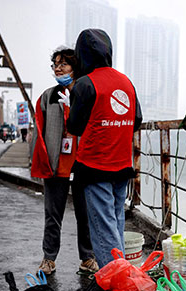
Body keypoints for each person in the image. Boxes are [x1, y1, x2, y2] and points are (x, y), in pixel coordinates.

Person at [66, 29, 142, 268]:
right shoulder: (126, 82)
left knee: (102, 227)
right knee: (116, 221)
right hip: (122, 165)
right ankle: (123, 276)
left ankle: (116, 284)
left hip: (95, 165)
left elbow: (75, 127)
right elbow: (137, 120)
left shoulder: (85, 84)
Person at [30, 46, 98, 275]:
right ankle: (49, 258)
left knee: (85, 215)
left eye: (64, 64)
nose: (58, 69)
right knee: (52, 215)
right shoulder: (47, 97)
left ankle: (87, 258)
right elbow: (38, 133)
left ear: (75, 67)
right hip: (56, 164)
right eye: (55, 65)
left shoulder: (85, 92)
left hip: (82, 165)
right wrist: (39, 163)